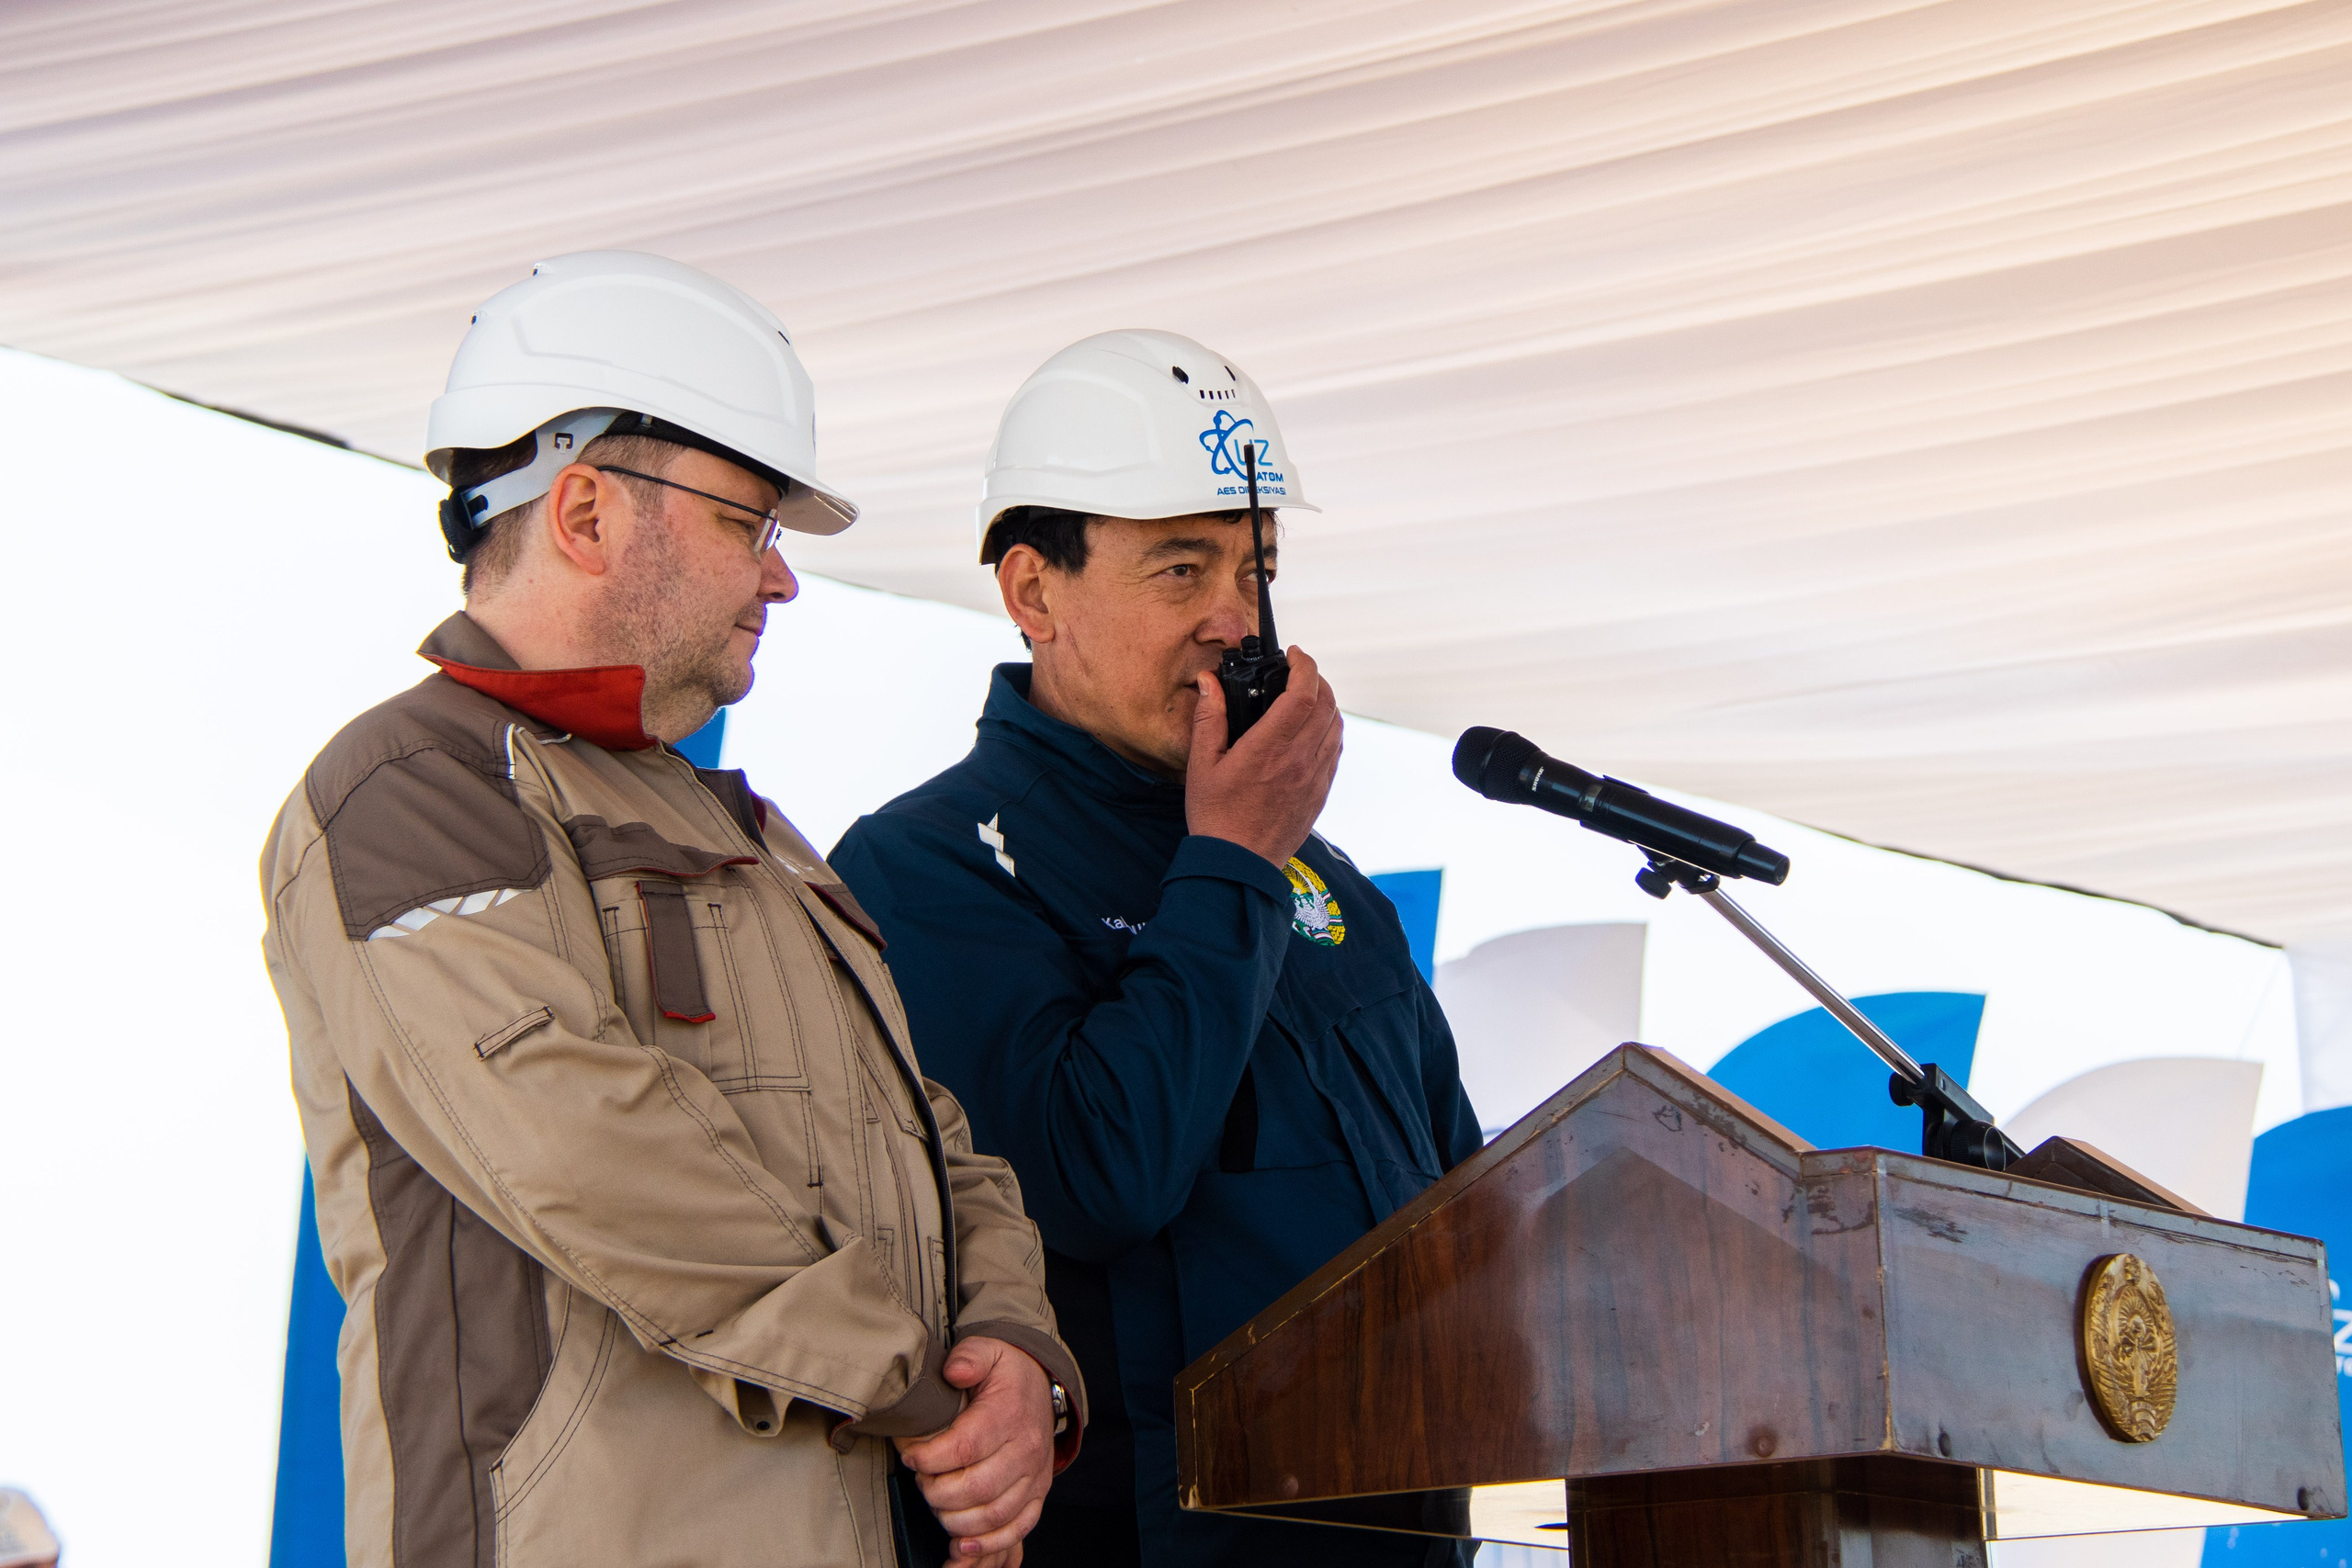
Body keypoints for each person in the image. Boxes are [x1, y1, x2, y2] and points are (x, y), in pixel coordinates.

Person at [260, 252, 1083, 1568]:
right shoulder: (409, 792)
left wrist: (1020, 1363)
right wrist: (927, 1397)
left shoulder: (755, 835)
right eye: (745, 525)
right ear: (585, 512)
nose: (781, 579)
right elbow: (591, 1156)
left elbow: (933, 1137)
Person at [830, 331, 1483, 1568]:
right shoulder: (926, 868)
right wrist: (1231, 861)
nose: (1234, 624)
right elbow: (1094, 1180)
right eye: (1181, 570)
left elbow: (1467, 1226)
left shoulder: (1328, 887)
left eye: (1259, 568)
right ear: (1033, 594)